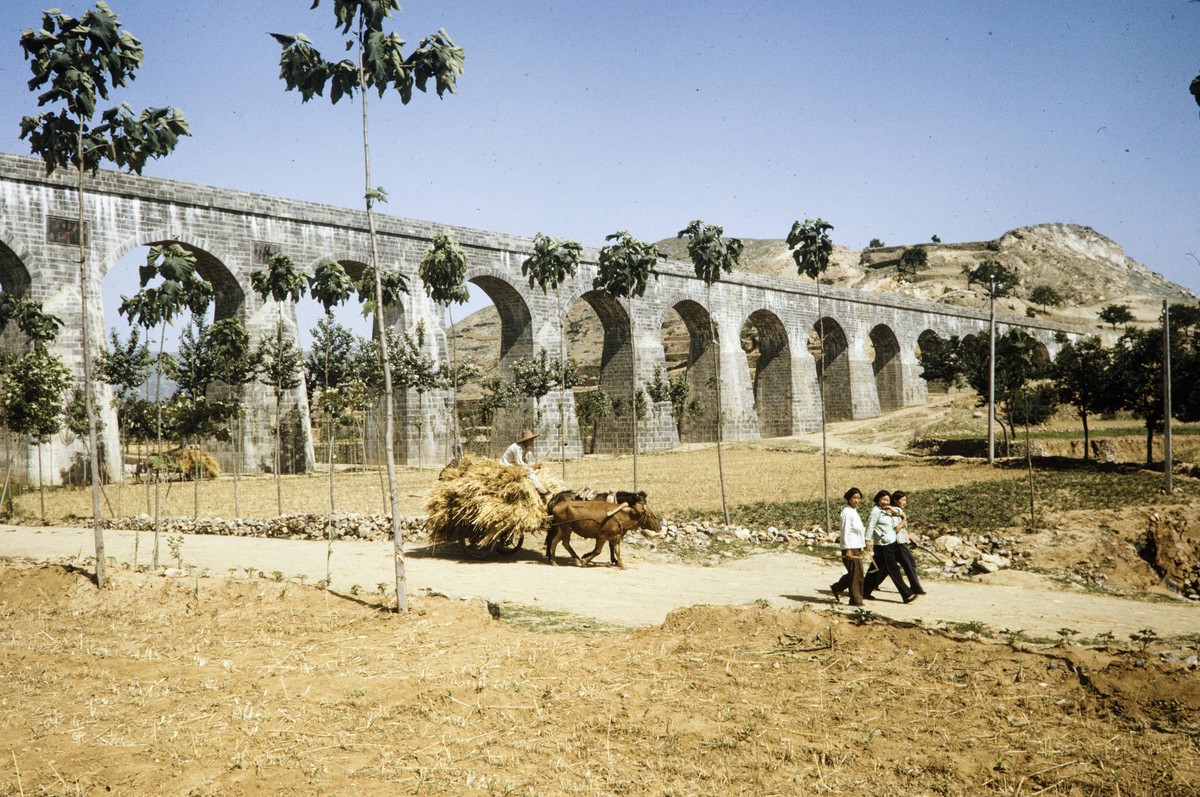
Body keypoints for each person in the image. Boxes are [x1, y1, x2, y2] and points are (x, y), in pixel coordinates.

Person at [862, 489, 917, 603]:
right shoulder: (875, 512)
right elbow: (870, 526)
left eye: (887, 500)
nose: (885, 502)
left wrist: (891, 509)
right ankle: (907, 594)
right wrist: (867, 540)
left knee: (875, 568)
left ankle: (864, 591)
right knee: (893, 569)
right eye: (883, 500)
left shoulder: (888, 510)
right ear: (878, 500)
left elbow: (901, 512)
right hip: (883, 544)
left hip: (890, 543)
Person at [830, 487, 868, 607]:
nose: (856, 500)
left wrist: (863, 546)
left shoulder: (853, 511)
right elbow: (845, 532)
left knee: (855, 573)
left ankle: (837, 587)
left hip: (856, 547)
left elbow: (857, 531)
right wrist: (848, 549)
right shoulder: (846, 512)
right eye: (854, 498)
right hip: (850, 548)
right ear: (849, 498)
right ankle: (856, 600)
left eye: (858, 498)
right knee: (857, 574)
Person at [891, 490, 925, 596]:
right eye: (902, 500)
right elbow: (897, 529)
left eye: (905, 500)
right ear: (896, 500)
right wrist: (904, 519)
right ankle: (916, 588)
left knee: (885, 568)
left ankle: (867, 587)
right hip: (899, 542)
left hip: (902, 541)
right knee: (909, 564)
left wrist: (911, 539)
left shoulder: (899, 511)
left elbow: (903, 530)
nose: (905, 502)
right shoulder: (894, 512)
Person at [500, 429, 546, 494]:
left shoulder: (525, 447)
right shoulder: (517, 448)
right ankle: (539, 487)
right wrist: (531, 466)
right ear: (526, 441)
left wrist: (535, 465)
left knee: (529, 454)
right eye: (531, 440)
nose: (532, 441)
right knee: (529, 470)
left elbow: (522, 461)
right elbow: (519, 464)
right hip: (508, 465)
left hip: (515, 463)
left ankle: (533, 472)